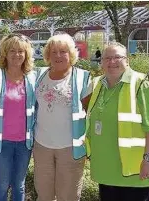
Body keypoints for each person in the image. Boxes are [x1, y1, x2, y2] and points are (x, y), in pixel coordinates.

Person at [85, 42, 149, 201]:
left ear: (127, 60)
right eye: (107, 58)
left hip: (135, 170)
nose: (112, 62)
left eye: (117, 57)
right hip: (105, 168)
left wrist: (148, 160)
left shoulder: (142, 84)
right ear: (101, 62)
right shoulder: (97, 84)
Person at [33, 34, 91, 201]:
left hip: (70, 148)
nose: (58, 56)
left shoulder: (82, 77)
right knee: (44, 195)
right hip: (42, 145)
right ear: (48, 55)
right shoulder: (38, 75)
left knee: (69, 196)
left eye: (63, 51)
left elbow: (90, 112)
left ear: (71, 54)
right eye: (54, 52)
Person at [0, 33, 37, 201]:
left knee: (19, 185)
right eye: (12, 51)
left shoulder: (33, 78)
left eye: (21, 51)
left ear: (26, 54)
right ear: (5, 53)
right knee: (3, 184)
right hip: (2, 143)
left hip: (24, 143)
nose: (17, 55)